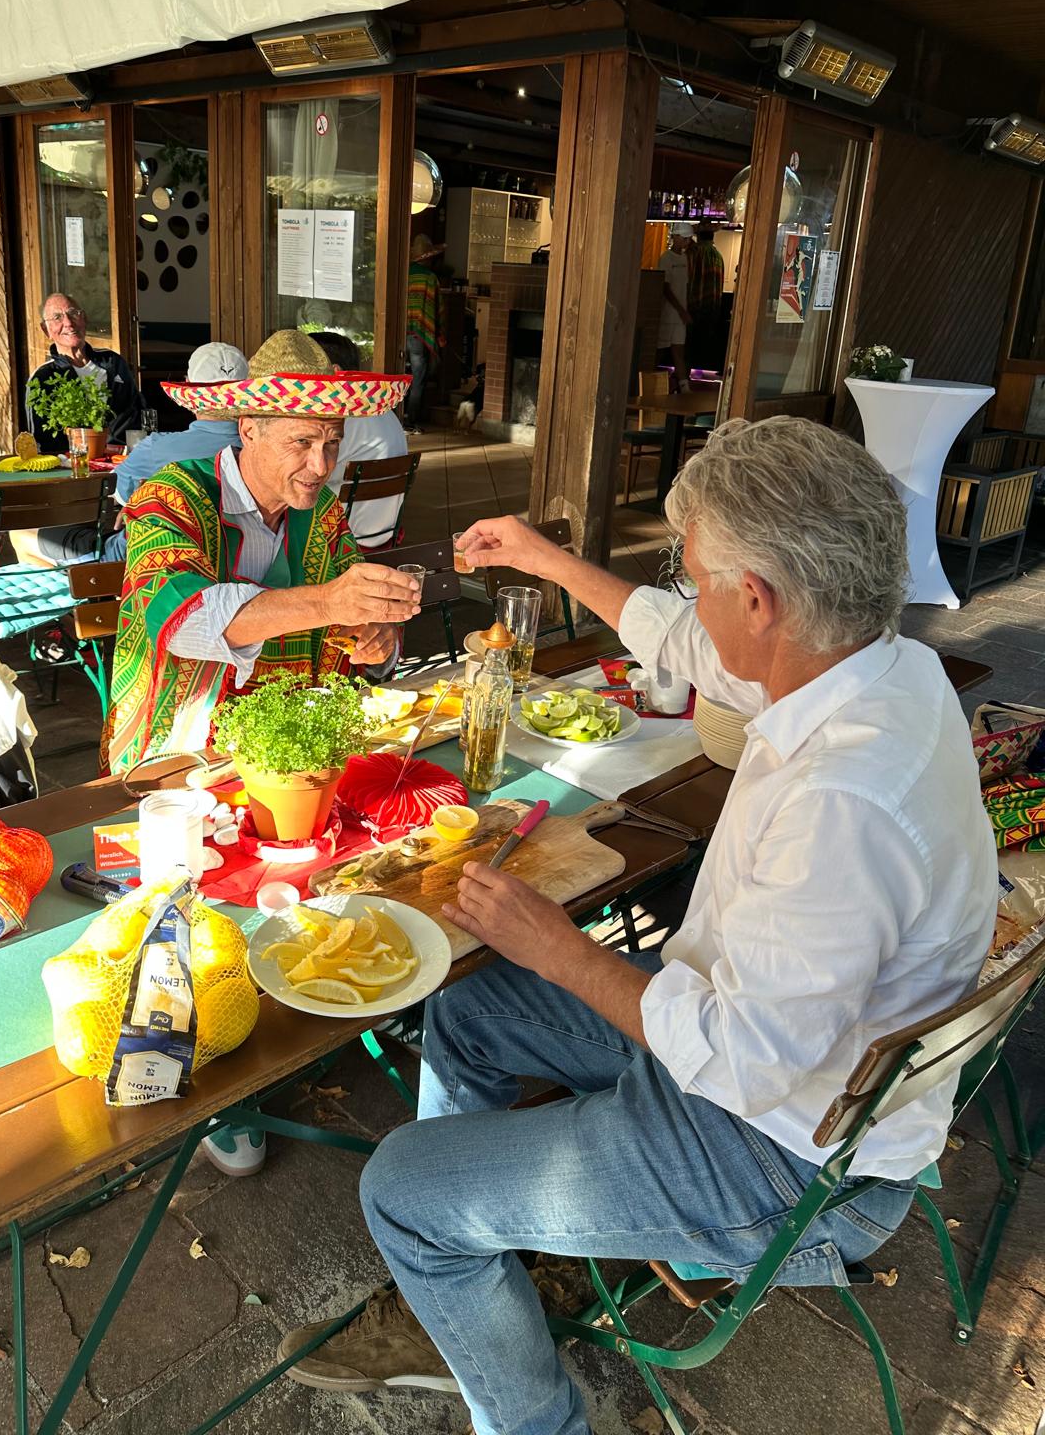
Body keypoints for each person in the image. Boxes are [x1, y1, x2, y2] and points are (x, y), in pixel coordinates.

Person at [280, 416, 999, 1435]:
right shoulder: (876, 665)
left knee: (400, 1184)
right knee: (477, 1004)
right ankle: (469, 1253)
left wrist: (563, 949)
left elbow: (743, 1063)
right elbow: (684, 636)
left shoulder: (846, 796)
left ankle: (528, 1404)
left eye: (700, 574)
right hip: (781, 1066)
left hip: (783, 1154)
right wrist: (536, 553)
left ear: (763, 598)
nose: (693, 598)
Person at [106, 329, 419, 777]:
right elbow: (182, 620)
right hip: (185, 749)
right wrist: (329, 601)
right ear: (249, 430)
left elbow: (358, 622)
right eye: (303, 443)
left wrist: (377, 640)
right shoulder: (172, 496)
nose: (323, 465)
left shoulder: (322, 512)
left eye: (333, 442)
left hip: (293, 749)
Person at [12, 342, 250, 567]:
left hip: (144, 558)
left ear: (187, 390)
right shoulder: (261, 450)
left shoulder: (156, 448)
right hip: (234, 557)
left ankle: (86, 605)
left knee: (21, 534)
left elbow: (113, 492)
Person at [315, 331, 410, 550]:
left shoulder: (339, 416)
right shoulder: (384, 411)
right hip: (386, 533)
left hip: (344, 538)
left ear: (334, 371)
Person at [26, 294, 146, 454]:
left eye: (73, 314)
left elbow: (137, 414)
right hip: (72, 465)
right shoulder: (43, 378)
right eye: (57, 317)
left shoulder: (114, 363)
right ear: (45, 329)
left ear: (84, 319)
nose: (68, 323)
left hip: (123, 461)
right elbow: (42, 442)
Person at [404, 233, 444, 433]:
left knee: (399, 376)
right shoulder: (430, 278)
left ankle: (396, 418)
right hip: (419, 335)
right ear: (427, 257)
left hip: (398, 334)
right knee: (419, 376)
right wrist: (441, 336)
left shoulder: (402, 273)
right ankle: (410, 421)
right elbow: (437, 310)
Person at [657, 221, 693, 387]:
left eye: (688, 239)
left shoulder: (686, 258)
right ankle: (655, 385)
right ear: (675, 237)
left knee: (679, 349)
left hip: (680, 313)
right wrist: (680, 310)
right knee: (660, 351)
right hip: (668, 312)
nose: (686, 242)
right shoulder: (666, 259)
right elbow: (665, 287)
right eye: (684, 238)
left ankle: (683, 386)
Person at [686, 221, 725, 374]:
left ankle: (685, 376)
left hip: (693, 307)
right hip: (712, 309)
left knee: (688, 346)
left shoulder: (694, 253)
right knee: (705, 346)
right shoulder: (718, 256)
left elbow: (687, 279)